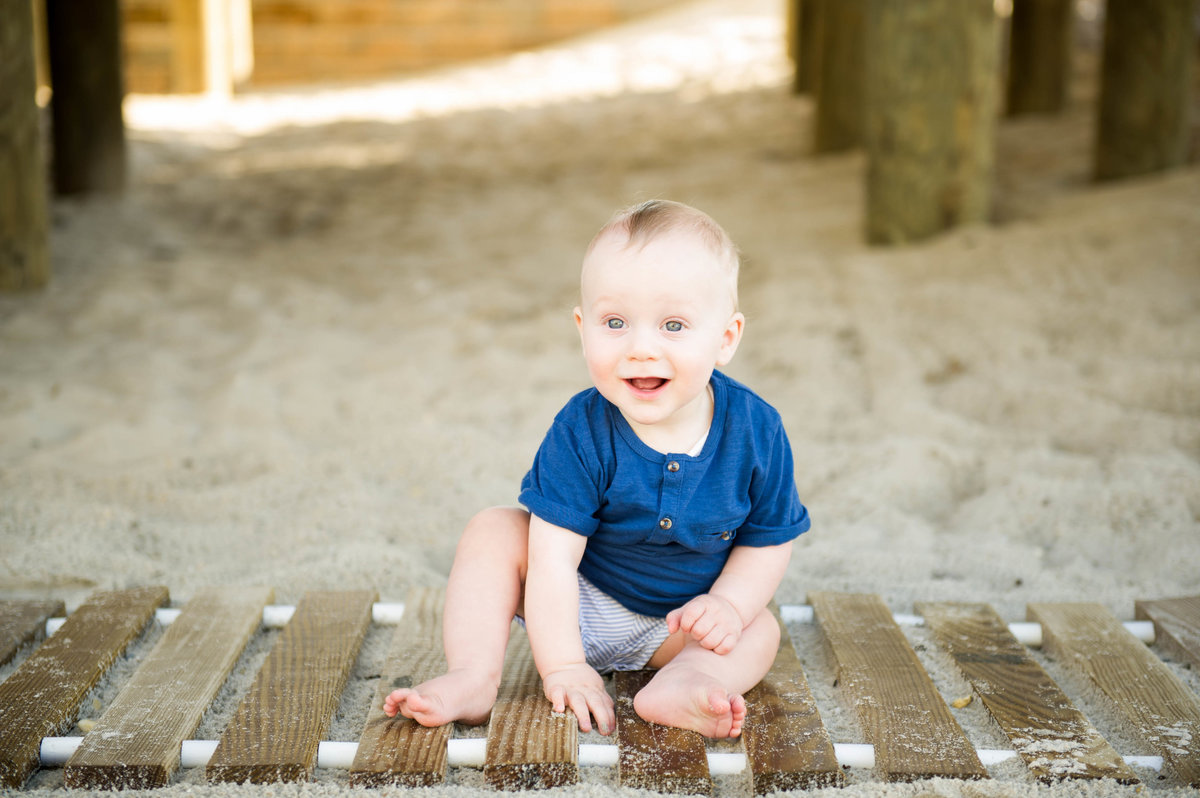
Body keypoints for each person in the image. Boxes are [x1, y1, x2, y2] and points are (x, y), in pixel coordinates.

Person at [383, 199, 809, 739]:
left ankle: (681, 682)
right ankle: (473, 675)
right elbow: (553, 559)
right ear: (583, 328)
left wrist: (726, 604)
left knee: (759, 628)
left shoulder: (757, 430)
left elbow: (767, 539)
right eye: (615, 323)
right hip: (571, 601)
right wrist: (563, 664)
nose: (640, 348)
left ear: (725, 338)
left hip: (677, 624)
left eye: (673, 325)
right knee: (494, 529)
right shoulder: (582, 427)